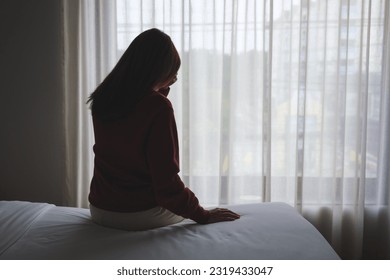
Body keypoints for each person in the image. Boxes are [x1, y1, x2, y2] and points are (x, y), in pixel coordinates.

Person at [87, 28, 240, 231]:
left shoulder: (104, 98)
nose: (175, 79)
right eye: (173, 73)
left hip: (99, 209)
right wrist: (202, 215)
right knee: (185, 211)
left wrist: (159, 90)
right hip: (138, 214)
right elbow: (166, 183)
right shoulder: (158, 107)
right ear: (157, 71)